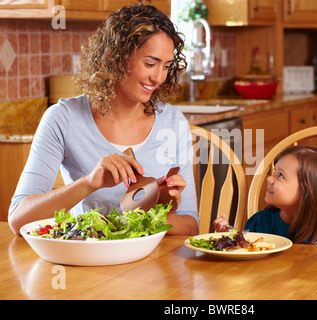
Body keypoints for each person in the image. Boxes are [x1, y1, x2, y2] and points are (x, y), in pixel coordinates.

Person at [9, 4, 199, 236]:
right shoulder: (63, 119)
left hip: (152, 263)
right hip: (86, 260)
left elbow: (191, 224)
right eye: (150, 64)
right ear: (117, 57)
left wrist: (159, 209)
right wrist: (89, 182)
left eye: (166, 67)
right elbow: (18, 219)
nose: (158, 77)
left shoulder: (173, 122)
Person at [214, 146, 317, 246]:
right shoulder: (259, 222)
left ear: (308, 191)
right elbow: (245, 253)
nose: (269, 179)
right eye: (274, 172)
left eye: (281, 175)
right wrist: (225, 240)